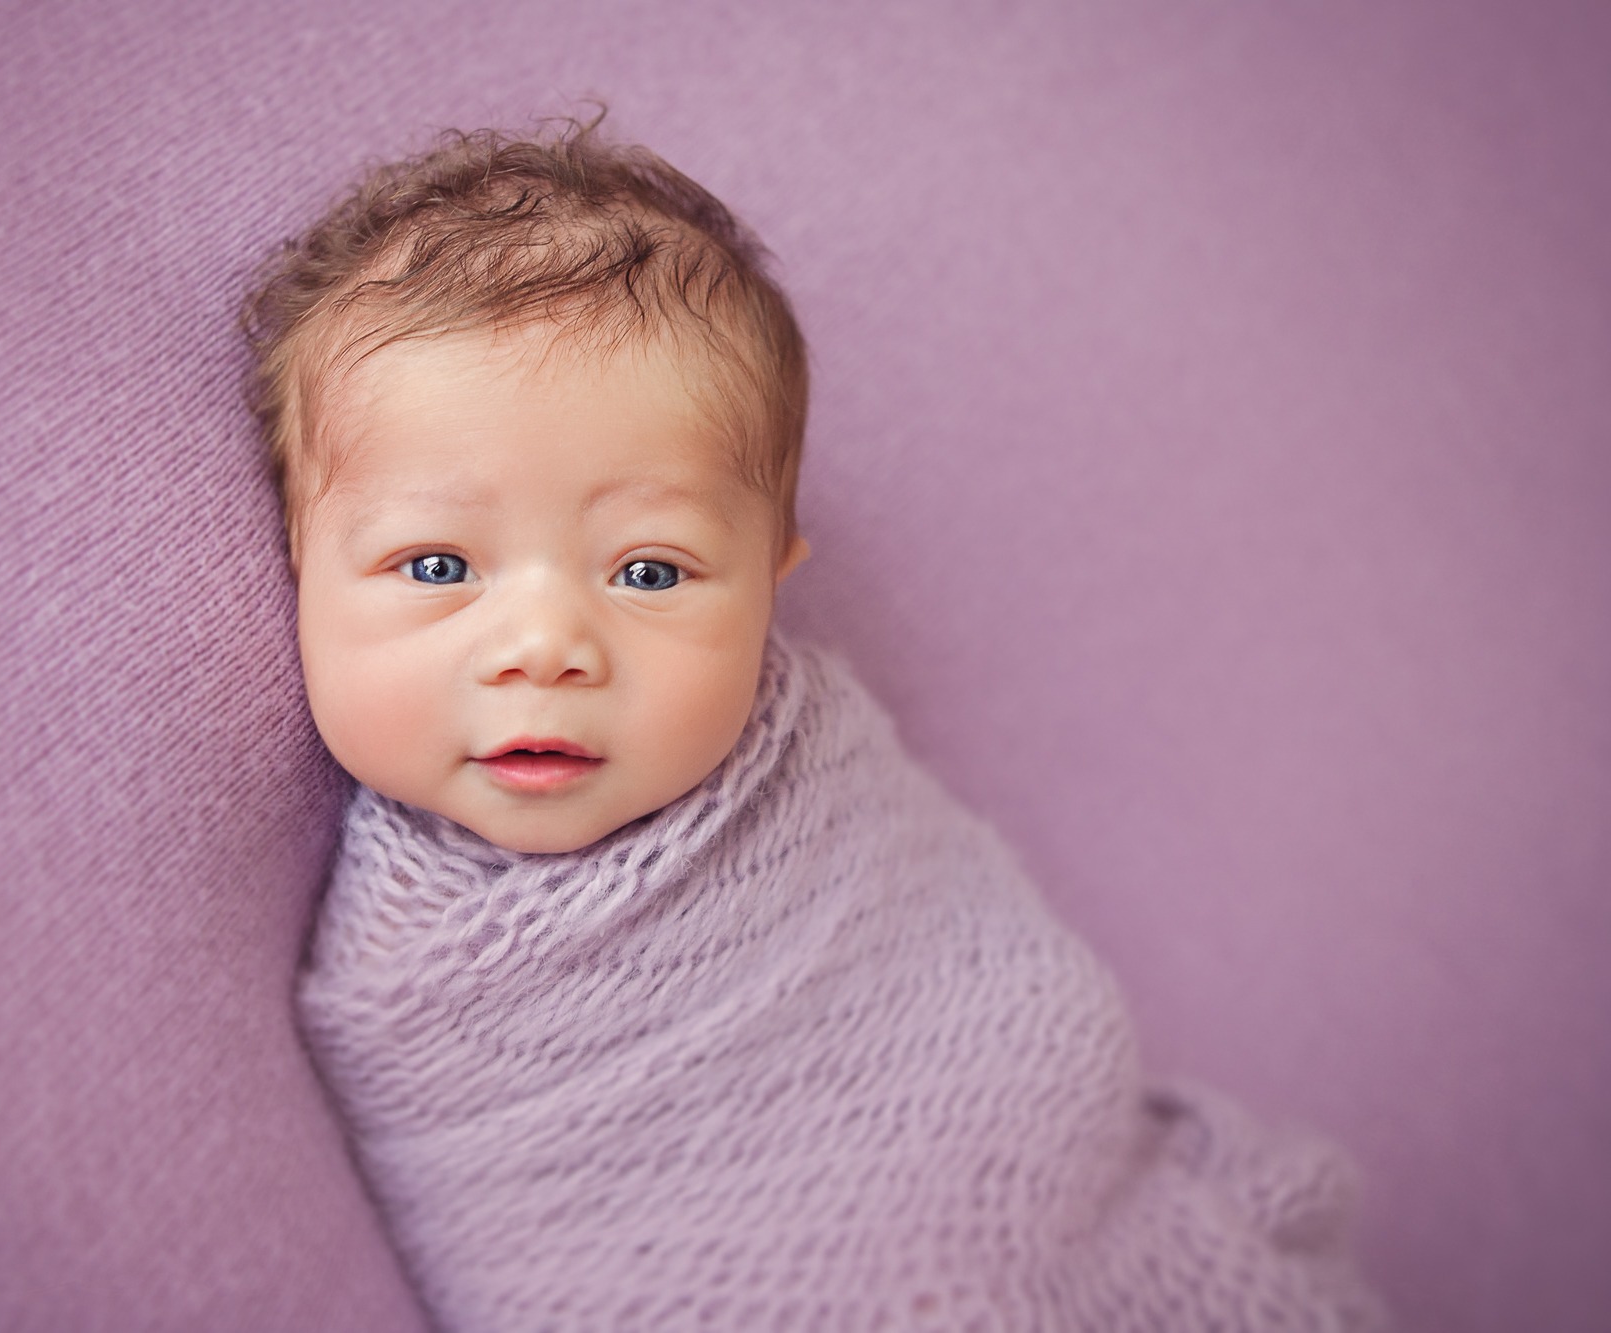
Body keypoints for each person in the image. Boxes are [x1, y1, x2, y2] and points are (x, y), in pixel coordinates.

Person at [242, 117, 1386, 1331]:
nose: (545, 647)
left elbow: (995, 1026)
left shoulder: (817, 779)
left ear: (771, 577)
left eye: (647, 572)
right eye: (434, 564)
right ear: (298, 560)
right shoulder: (404, 981)